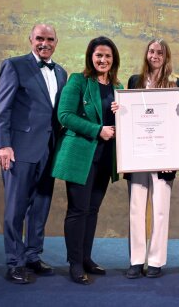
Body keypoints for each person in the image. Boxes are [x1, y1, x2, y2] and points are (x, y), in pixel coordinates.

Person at [0, 24, 67, 284]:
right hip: (19, 149)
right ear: (30, 40)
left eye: (49, 39)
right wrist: (2, 144)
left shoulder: (60, 72)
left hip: (49, 150)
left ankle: (33, 255)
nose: (44, 43)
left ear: (56, 42)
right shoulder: (14, 65)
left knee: (41, 205)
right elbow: (2, 107)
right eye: (39, 38)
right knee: (16, 208)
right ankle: (15, 262)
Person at [51, 36, 123, 285]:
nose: (103, 60)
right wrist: (97, 129)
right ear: (91, 57)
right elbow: (65, 115)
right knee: (78, 210)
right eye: (99, 55)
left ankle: (86, 258)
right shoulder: (78, 81)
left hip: (105, 158)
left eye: (108, 56)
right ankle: (74, 263)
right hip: (81, 155)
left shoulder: (119, 87)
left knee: (92, 210)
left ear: (114, 60)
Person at [122, 39, 179, 279]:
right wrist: (120, 109)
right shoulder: (133, 81)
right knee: (136, 208)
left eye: (160, 52)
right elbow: (128, 116)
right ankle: (136, 260)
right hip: (137, 154)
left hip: (164, 154)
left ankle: (156, 260)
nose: (155, 55)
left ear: (166, 56)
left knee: (160, 209)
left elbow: (178, 120)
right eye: (151, 51)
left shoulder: (176, 83)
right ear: (146, 53)